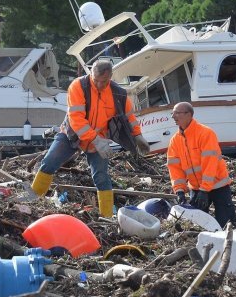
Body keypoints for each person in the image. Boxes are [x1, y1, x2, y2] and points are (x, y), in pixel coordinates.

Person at [28, 60, 149, 217]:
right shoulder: (78, 86)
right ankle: (32, 202)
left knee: (101, 177)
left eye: (103, 81)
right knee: (49, 162)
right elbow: (76, 119)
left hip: (98, 141)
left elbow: (129, 118)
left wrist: (138, 136)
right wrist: (96, 140)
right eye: (95, 80)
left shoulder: (118, 93)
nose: (98, 84)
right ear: (91, 73)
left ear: (110, 77)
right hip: (72, 135)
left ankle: (107, 217)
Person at [167, 101, 236, 227]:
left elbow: (210, 163)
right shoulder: (175, 140)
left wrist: (204, 189)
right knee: (198, 224)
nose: (173, 116)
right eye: (173, 113)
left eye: (177, 113)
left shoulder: (205, 133)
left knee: (226, 223)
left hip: (217, 186)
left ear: (189, 115)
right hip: (197, 188)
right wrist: (180, 191)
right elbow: (175, 168)